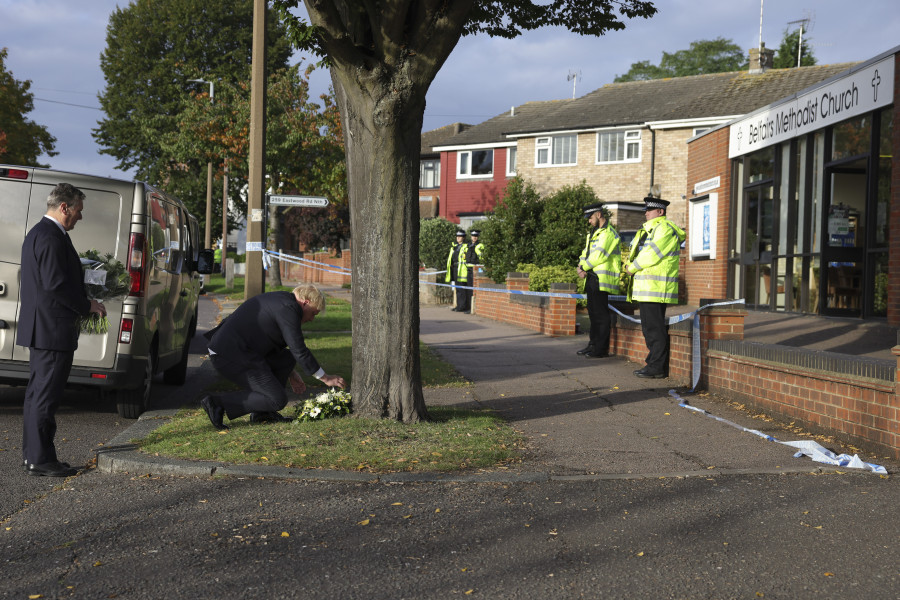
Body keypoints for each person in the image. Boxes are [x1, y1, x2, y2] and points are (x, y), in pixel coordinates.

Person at [18, 183, 107, 477]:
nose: (80, 217)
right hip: (52, 330)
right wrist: (88, 305)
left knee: (36, 396)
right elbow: (56, 286)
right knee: (45, 397)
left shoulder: (38, 233)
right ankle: (41, 459)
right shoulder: (51, 237)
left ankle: (34, 455)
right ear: (64, 207)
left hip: (42, 328)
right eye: (78, 211)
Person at [201, 284, 345, 429]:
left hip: (240, 351)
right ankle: (217, 404)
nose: (312, 319)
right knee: (277, 400)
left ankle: (263, 413)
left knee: (287, 358)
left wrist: (292, 373)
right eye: (314, 313)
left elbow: (273, 345)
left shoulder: (282, 301)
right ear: (305, 302)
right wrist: (325, 378)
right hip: (229, 355)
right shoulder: (288, 309)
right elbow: (299, 349)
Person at [625, 196, 685, 378]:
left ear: (660, 212)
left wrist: (632, 267)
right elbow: (636, 253)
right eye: (646, 210)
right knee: (649, 328)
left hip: (656, 288)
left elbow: (651, 254)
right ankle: (653, 364)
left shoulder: (663, 229)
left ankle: (656, 367)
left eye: (649, 210)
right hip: (647, 288)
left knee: (654, 329)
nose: (646, 213)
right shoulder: (649, 230)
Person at [576, 203, 621, 358]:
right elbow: (586, 252)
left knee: (601, 316)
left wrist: (584, 267)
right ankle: (592, 345)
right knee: (593, 314)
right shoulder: (593, 233)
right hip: (592, 278)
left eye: (590, 217)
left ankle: (601, 350)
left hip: (601, 279)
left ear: (599, 214)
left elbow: (599, 255)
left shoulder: (609, 233)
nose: (589, 221)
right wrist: (580, 265)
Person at [445, 229, 471, 313]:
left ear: (463, 238)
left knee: (463, 289)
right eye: (457, 236)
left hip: (462, 270)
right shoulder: (454, 246)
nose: (458, 238)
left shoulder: (466, 246)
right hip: (455, 268)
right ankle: (459, 305)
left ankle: (463, 306)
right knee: (458, 288)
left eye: (460, 237)